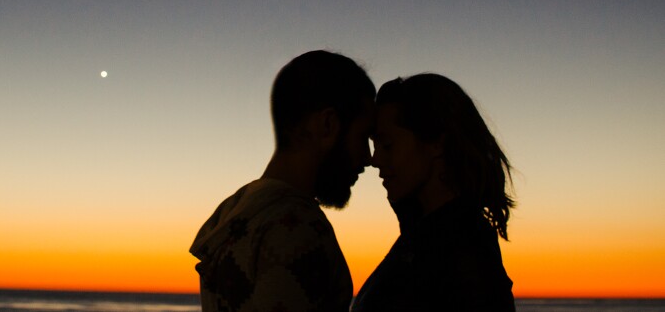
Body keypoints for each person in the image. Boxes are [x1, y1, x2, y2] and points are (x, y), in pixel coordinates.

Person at [190, 50, 377, 312]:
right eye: (363, 137)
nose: (368, 158)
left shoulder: (235, 211)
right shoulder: (296, 225)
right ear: (327, 125)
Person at [352, 73, 516, 311]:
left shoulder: (462, 254)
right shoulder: (426, 239)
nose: (375, 160)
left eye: (387, 145)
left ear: (436, 143)